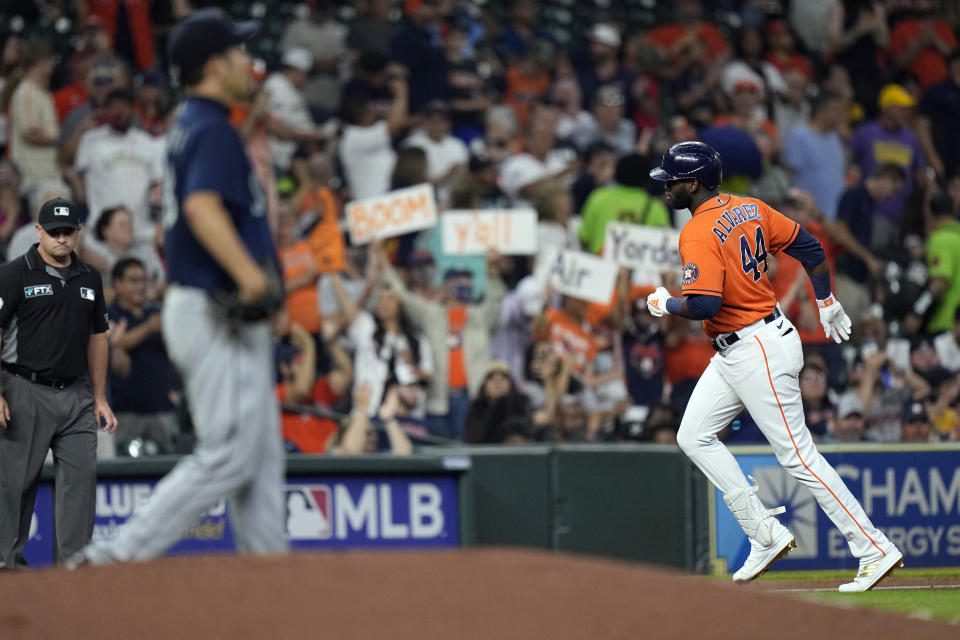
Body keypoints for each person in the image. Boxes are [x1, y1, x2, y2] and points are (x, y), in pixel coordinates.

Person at [69, 8, 288, 566]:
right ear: (215, 65)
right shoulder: (211, 125)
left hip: (214, 311)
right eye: (238, 52)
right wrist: (251, 276)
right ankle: (113, 560)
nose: (247, 61)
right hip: (217, 311)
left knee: (260, 462)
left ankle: (276, 586)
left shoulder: (195, 123)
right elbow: (200, 207)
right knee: (232, 457)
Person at [645, 141, 903, 591]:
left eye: (671, 180)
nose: (665, 186)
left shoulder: (698, 231)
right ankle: (763, 532)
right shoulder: (749, 206)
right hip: (745, 345)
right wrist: (825, 298)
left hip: (755, 347)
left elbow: (706, 303)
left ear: (693, 182)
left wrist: (664, 302)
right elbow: (809, 246)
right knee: (693, 435)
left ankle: (874, 548)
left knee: (798, 456)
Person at [0, 197, 117, 568]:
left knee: (81, 483)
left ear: (78, 234)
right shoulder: (14, 273)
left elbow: (99, 336)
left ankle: (74, 569)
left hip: (77, 392)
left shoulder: (90, 278)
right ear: (38, 231)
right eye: (54, 232)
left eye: (68, 232)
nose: (62, 239)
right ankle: (6, 565)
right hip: (23, 388)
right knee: (15, 485)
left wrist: (99, 397)